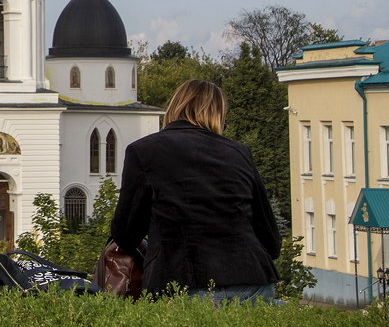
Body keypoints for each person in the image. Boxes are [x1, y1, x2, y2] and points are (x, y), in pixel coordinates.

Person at [110, 79, 280, 302]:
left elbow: (126, 234)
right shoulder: (239, 153)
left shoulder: (143, 151)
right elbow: (270, 240)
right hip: (252, 281)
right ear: (217, 113)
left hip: (181, 282)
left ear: (175, 106)